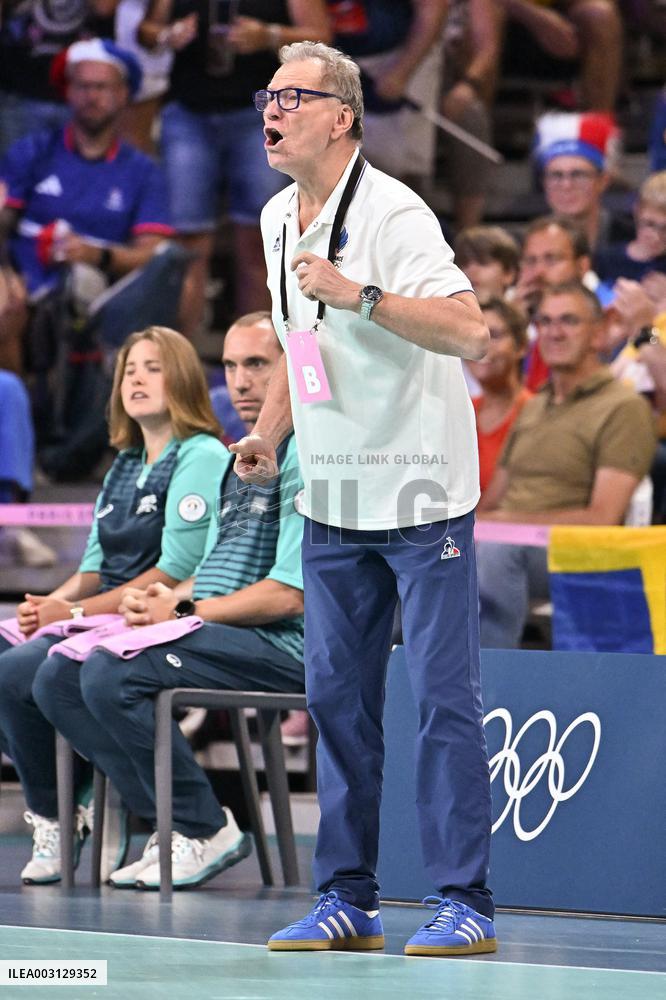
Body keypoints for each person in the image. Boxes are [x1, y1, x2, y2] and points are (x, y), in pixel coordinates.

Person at [232, 40, 496, 956]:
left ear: (342, 115)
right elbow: (304, 351)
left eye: (293, 96)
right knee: (337, 704)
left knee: (442, 703)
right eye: (268, 95)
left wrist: (362, 293)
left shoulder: (395, 212)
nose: (272, 109)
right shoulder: (275, 217)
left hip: (423, 496)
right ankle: (347, 898)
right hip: (334, 501)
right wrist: (269, 434)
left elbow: (472, 333)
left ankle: (465, 901)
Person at [34, 312, 306, 890]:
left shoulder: (307, 455)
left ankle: (200, 825)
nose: (240, 381)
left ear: (293, 367)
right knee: (59, 674)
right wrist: (165, 598)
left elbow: (288, 596)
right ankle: (170, 822)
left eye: (257, 364)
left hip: (286, 647)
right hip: (224, 628)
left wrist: (181, 612)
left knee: (111, 671)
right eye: (230, 365)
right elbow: (210, 575)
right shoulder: (244, 457)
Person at [0, 325, 226, 884]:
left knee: (20, 672)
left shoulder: (199, 456)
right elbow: (93, 568)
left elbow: (173, 572)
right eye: (129, 370)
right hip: (99, 609)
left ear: (183, 380)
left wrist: (71, 616)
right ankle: (71, 800)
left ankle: (66, 810)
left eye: (153, 367)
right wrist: (46, 604)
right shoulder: (124, 463)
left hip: (146, 615)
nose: (138, 380)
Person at [476, 280, 656, 648]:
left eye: (569, 321)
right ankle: (392, 673)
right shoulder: (534, 405)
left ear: (600, 331)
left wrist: (502, 526)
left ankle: (484, 681)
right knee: (413, 546)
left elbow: (603, 518)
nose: (554, 332)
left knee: (494, 553)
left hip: (574, 551)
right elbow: (490, 504)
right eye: (545, 321)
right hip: (507, 543)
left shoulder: (624, 407)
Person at [137, 0, 331, 336]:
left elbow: (321, 39)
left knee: (259, 240)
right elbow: (146, 30)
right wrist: (168, 34)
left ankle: (257, 353)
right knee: (186, 245)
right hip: (189, 112)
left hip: (261, 115)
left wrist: (270, 36)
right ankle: (182, 361)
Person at [328, 0, 448, 184]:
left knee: (403, 168)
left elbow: (432, 8)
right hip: (337, 61)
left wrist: (402, 71)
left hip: (402, 55)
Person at [494, 0, 623, 112]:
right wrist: (536, 18)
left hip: (556, 29)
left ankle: (594, 132)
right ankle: (476, 124)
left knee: (600, 16)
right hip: (495, 22)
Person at [512, 214, 594, 391]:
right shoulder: (516, 312)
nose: (538, 271)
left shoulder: (610, 311)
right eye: (531, 261)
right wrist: (513, 328)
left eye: (551, 259)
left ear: (582, 266)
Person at [533, 111, 630, 254]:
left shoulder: (630, 238)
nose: (566, 185)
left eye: (578, 175)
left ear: (603, 181)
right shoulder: (530, 245)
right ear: (544, 182)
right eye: (556, 175)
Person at [468, 299, 532, 494]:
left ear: (521, 346)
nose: (483, 346)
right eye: (472, 336)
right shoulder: (458, 412)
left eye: (494, 335)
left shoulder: (536, 412)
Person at [595, 171, 666, 286]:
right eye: (650, 224)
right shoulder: (605, 260)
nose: (656, 236)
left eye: (665, 229)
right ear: (637, 211)